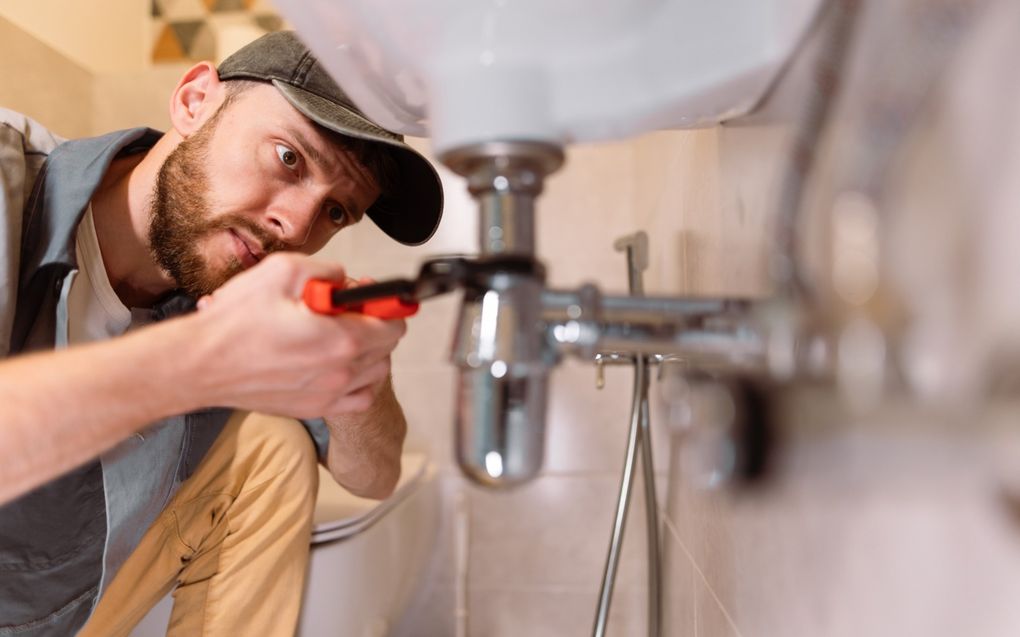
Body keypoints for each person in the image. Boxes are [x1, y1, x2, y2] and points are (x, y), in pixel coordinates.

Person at [0, 30, 443, 636]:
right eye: (289, 157)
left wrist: (358, 380)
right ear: (194, 100)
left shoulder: (236, 283)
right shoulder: (7, 186)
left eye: (336, 211)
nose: (295, 225)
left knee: (272, 447)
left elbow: (375, 475)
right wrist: (203, 360)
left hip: (58, 615)